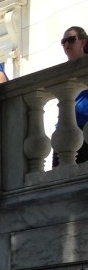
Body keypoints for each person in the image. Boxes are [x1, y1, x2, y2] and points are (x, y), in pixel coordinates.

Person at [57, 25, 88, 165]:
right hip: (64, 129)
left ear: (83, 42)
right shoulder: (62, 72)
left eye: (71, 39)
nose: (67, 44)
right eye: (64, 41)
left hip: (84, 127)